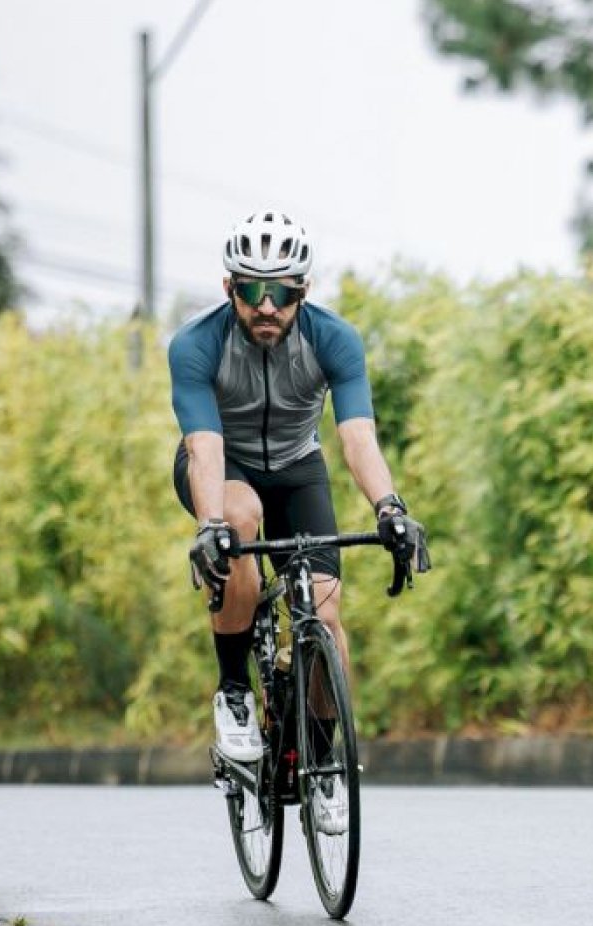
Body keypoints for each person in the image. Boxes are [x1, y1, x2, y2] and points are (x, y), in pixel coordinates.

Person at [171, 209, 428, 832]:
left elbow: (357, 436)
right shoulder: (196, 344)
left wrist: (389, 507)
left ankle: (321, 762)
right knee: (241, 517)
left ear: (303, 291)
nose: (267, 306)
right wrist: (210, 525)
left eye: (281, 292)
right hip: (221, 470)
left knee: (326, 612)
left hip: (297, 468)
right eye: (253, 291)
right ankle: (234, 692)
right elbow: (204, 444)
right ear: (230, 288)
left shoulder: (334, 339)